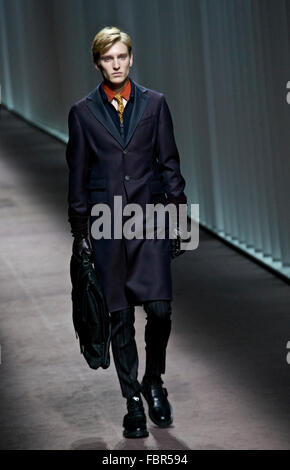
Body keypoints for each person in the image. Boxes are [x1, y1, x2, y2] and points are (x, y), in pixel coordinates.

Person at [66, 26, 187, 439]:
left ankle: (154, 379)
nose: (115, 64)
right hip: (105, 227)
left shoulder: (156, 104)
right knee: (119, 316)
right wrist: (80, 234)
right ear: (98, 63)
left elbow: (170, 165)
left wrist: (180, 225)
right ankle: (133, 400)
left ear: (131, 58)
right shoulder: (82, 113)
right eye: (107, 58)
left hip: (150, 220)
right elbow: (77, 177)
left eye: (121, 56)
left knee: (159, 311)